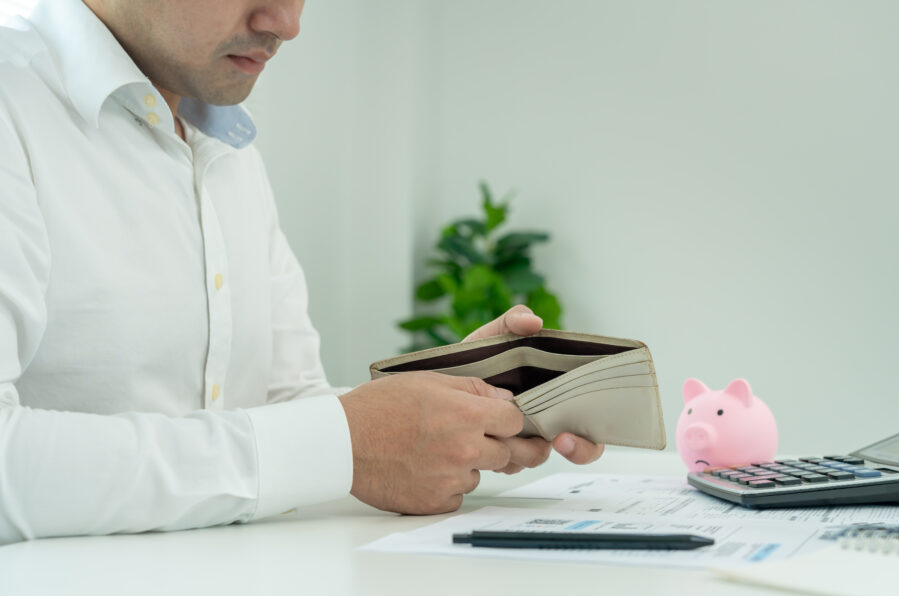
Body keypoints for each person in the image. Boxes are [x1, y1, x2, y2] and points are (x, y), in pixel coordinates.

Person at [0, 0, 604, 546]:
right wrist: (347, 442)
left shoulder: (228, 147)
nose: (286, 23)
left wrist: (457, 406)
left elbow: (286, 406)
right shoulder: (13, 104)